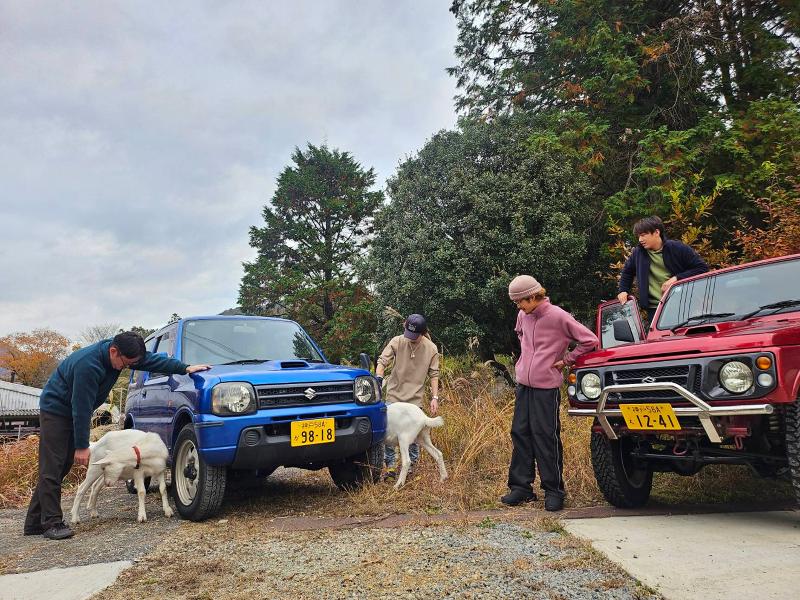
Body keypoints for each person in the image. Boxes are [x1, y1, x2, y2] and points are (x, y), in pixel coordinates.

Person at [24, 331, 211, 540]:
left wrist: (184, 368)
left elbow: (152, 361)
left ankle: (33, 522)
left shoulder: (121, 354)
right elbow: (81, 408)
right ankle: (52, 523)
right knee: (53, 466)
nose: (126, 366)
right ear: (114, 351)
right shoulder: (88, 365)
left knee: (62, 465)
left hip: (73, 411)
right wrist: (81, 446)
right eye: (125, 362)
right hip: (56, 411)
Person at [502, 276, 599, 512]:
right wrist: (523, 364)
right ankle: (521, 488)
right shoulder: (522, 316)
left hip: (546, 387)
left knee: (545, 436)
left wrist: (567, 360)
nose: (518, 307)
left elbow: (590, 340)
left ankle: (554, 490)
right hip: (524, 384)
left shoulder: (558, 316)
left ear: (534, 296)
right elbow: (521, 336)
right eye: (515, 302)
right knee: (520, 432)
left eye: (520, 301)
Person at [376, 314, 439, 479]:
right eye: (408, 333)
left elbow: (434, 374)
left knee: (414, 437)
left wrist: (435, 397)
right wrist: (378, 380)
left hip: (415, 398)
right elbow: (382, 362)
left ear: (422, 333)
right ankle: (389, 467)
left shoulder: (431, 348)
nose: (410, 338)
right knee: (387, 433)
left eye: (414, 335)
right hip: (394, 394)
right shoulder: (397, 341)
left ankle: (411, 468)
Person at [617, 216, 708, 326]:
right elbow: (627, 272)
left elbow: (702, 268)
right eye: (638, 236)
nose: (640, 240)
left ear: (656, 232)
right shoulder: (638, 253)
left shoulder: (677, 248)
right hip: (655, 311)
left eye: (643, 235)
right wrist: (623, 290)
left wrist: (676, 279)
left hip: (684, 306)